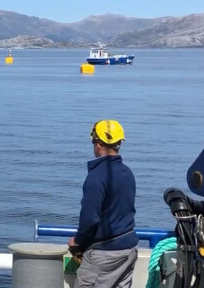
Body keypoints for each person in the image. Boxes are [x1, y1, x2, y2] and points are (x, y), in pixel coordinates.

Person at [68, 119, 138, 288]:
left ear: (97, 144)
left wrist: (77, 241)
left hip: (104, 253)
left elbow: (90, 218)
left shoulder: (96, 177)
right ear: (119, 144)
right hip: (129, 248)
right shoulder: (127, 173)